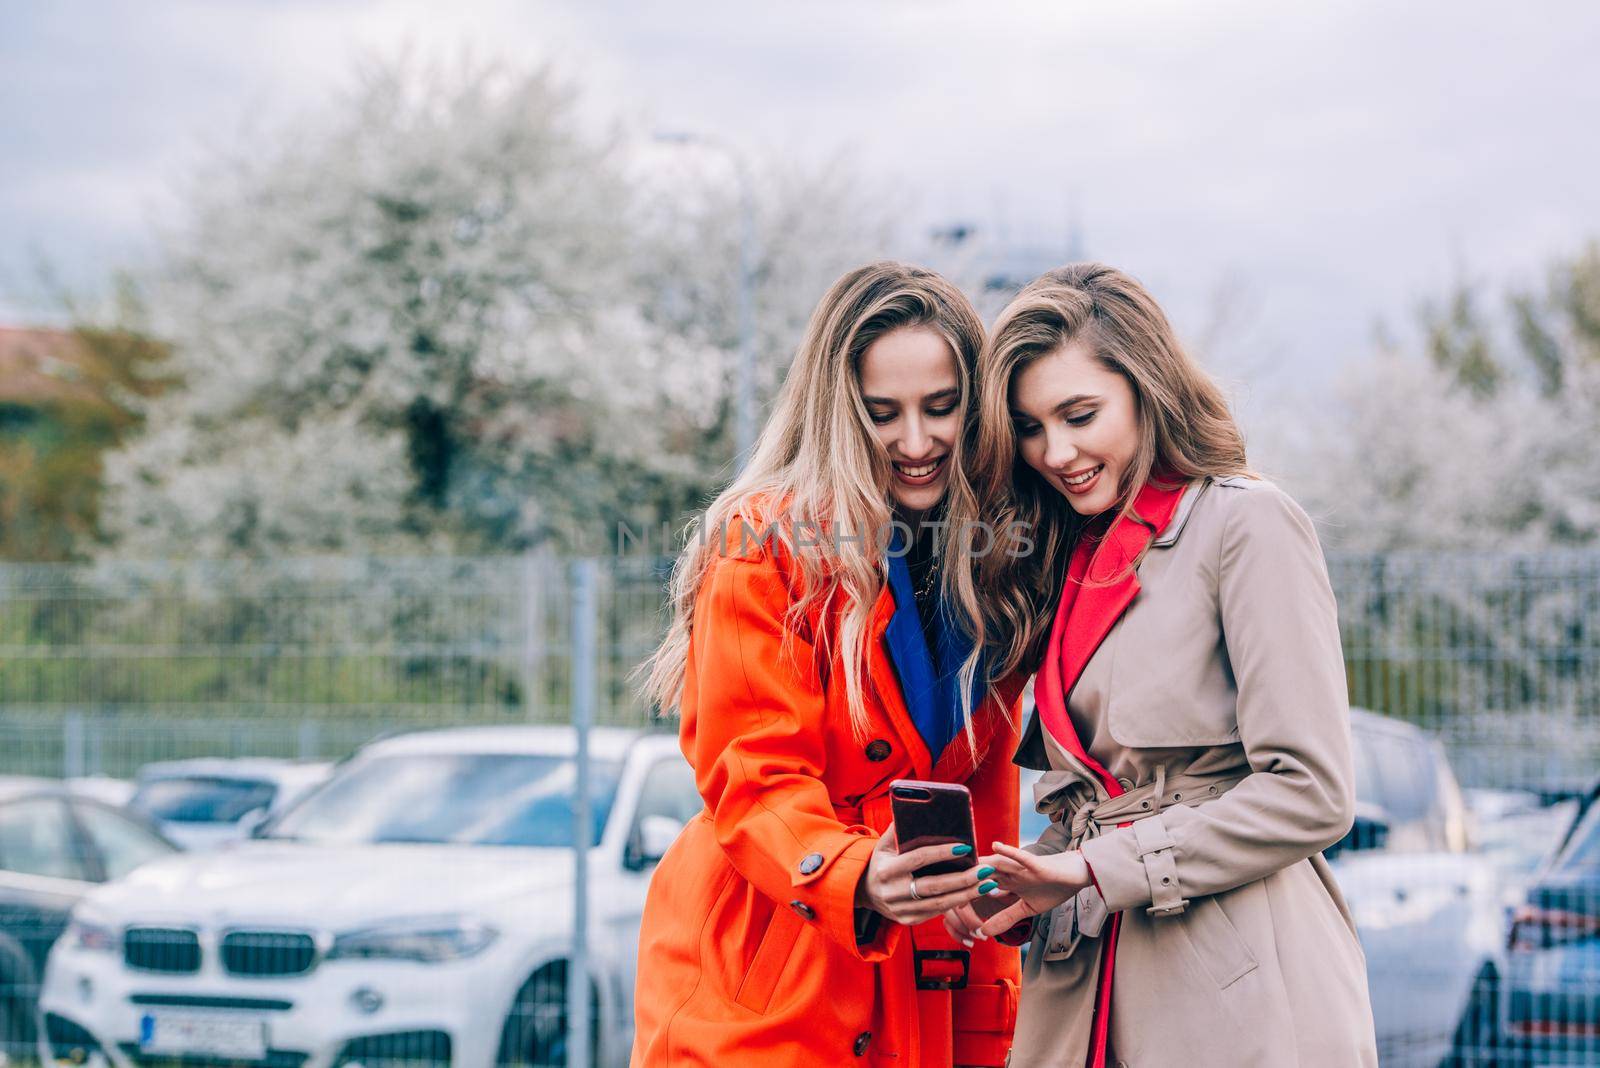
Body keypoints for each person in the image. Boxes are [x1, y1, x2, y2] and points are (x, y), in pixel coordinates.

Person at [945, 263, 1377, 1067]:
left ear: (1148, 388)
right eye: (1032, 428)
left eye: (1080, 414)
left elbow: (1313, 793)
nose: (1056, 451)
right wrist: (1033, 878)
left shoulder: (1246, 524)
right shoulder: (1069, 558)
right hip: (1090, 981)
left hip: (1236, 981)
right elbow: (1104, 798)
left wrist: (1099, 868)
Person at [631, 262, 1026, 1067]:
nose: (917, 443)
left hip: (932, 984)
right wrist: (851, 874)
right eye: (884, 414)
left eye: (942, 408)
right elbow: (754, 775)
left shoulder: (990, 559)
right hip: (769, 976)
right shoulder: (761, 545)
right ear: (839, 411)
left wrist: (994, 942)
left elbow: (986, 799)